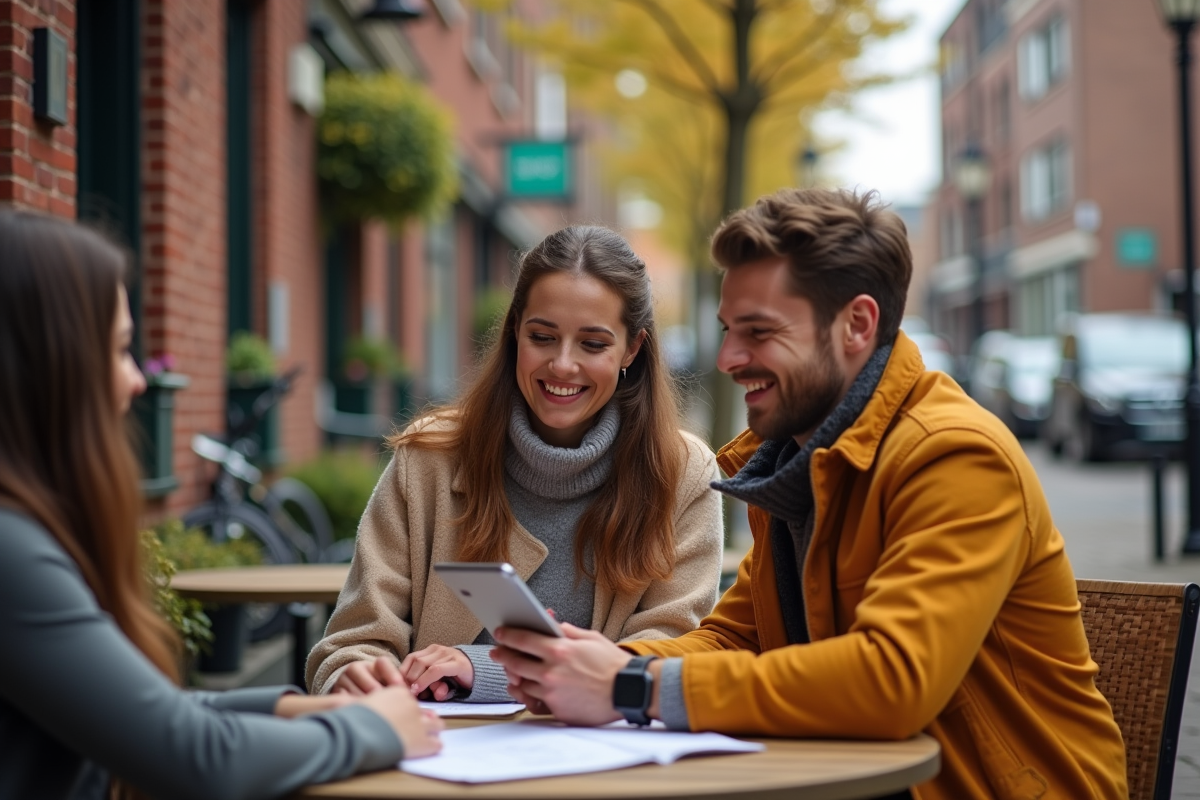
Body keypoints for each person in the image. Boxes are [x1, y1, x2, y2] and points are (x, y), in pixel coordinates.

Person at [491, 189, 1127, 800]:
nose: (728, 358)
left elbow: (891, 680)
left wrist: (631, 685)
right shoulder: (801, 459)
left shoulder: (955, 455)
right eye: (727, 329)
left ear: (856, 324)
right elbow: (736, 639)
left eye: (758, 332)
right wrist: (595, 663)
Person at [0, 210, 442, 800]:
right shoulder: (12, 555)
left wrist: (289, 708)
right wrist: (370, 729)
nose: (137, 381)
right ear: (48, 369)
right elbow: (196, 758)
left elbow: (153, 716)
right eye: (121, 349)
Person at [307, 225, 724, 702]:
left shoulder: (684, 474)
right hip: (437, 763)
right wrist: (355, 677)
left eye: (593, 344)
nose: (563, 365)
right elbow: (351, 644)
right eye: (542, 337)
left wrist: (479, 667)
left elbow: (667, 662)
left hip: (604, 767)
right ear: (514, 334)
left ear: (631, 349)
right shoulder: (428, 461)